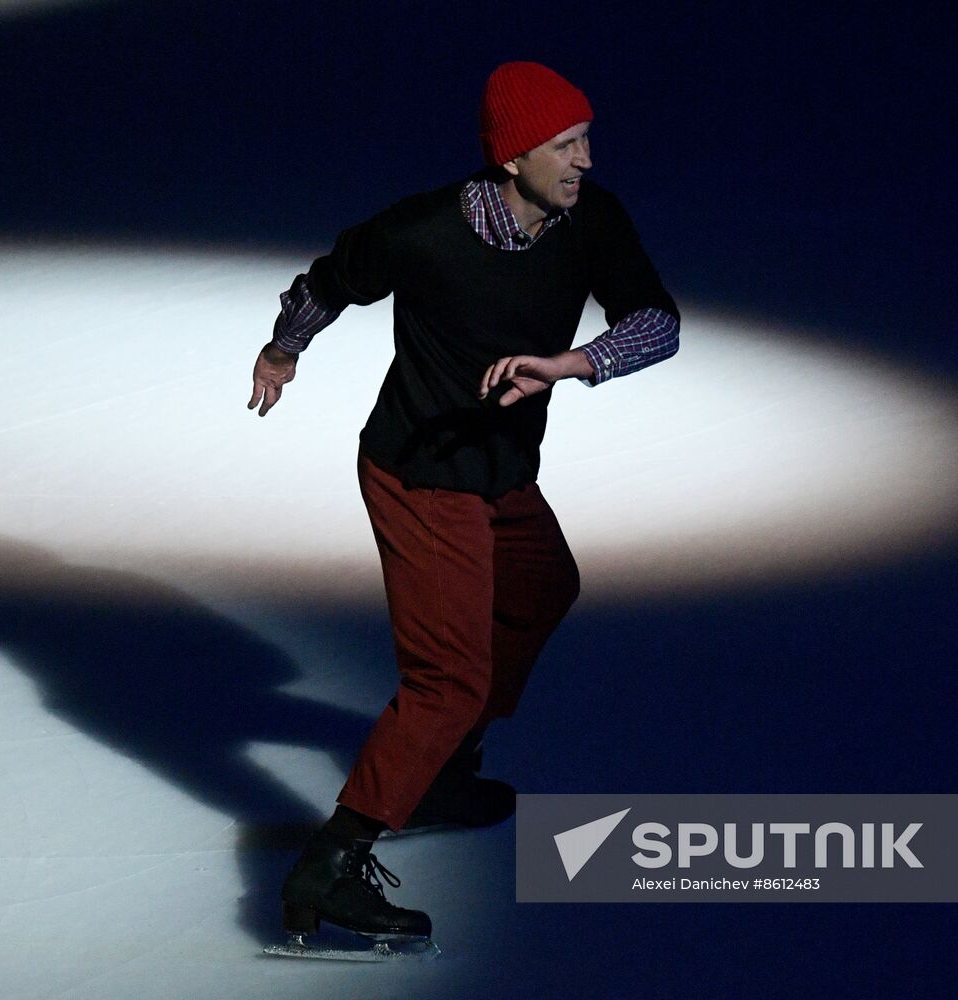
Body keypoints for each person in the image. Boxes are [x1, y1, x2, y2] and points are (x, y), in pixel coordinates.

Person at [249, 61, 679, 953]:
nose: (585, 160)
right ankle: (329, 867)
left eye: (586, 140)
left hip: (501, 471)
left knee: (539, 588)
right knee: (448, 680)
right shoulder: (422, 231)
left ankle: (438, 771)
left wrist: (572, 364)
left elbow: (658, 323)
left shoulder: (588, 221)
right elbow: (326, 281)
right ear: (513, 153)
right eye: (566, 145)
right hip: (419, 472)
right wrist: (281, 353)